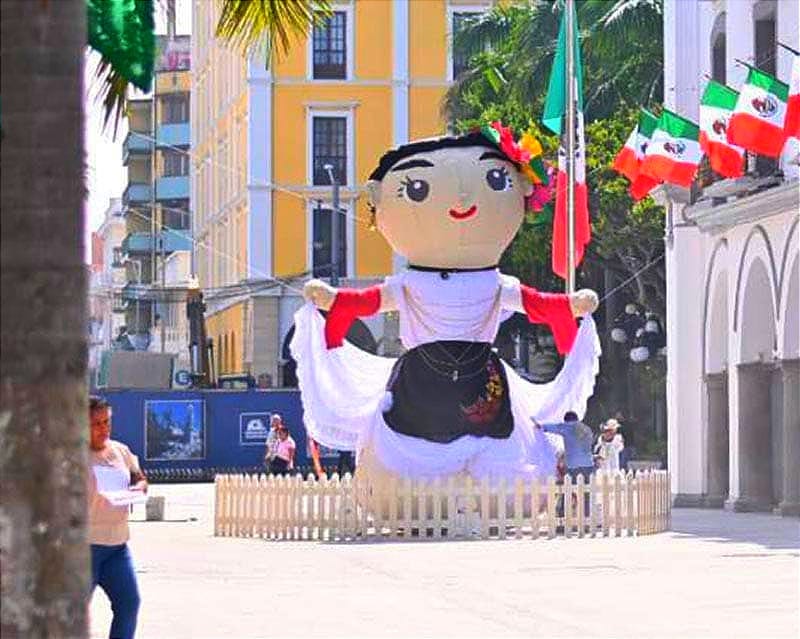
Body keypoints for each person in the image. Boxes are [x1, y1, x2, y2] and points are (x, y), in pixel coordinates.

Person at [294, 124, 601, 487]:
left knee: (494, 440)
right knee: (406, 436)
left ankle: (485, 501)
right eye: (417, 189)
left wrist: (570, 305)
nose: (461, 201)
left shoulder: (494, 282)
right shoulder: (410, 282)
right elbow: (367, 301)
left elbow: (537, 305)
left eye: (495, 182)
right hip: (423, 377)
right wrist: (331, 299)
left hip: (480, 377)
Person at [88, 396, 147, 639]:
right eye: (96, 424)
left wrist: (140, 486)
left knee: (129, 605)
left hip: (117, 547)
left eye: (107, 422)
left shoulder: (121, 451)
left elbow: (139, 477)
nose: (104, 429)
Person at [543, 411, 595, 480]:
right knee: (587, 487)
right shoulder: (587, 429)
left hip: (573, 465)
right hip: (588, 464)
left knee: (573, 487)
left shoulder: (567, 427)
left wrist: (543, 426)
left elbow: (555, 427)